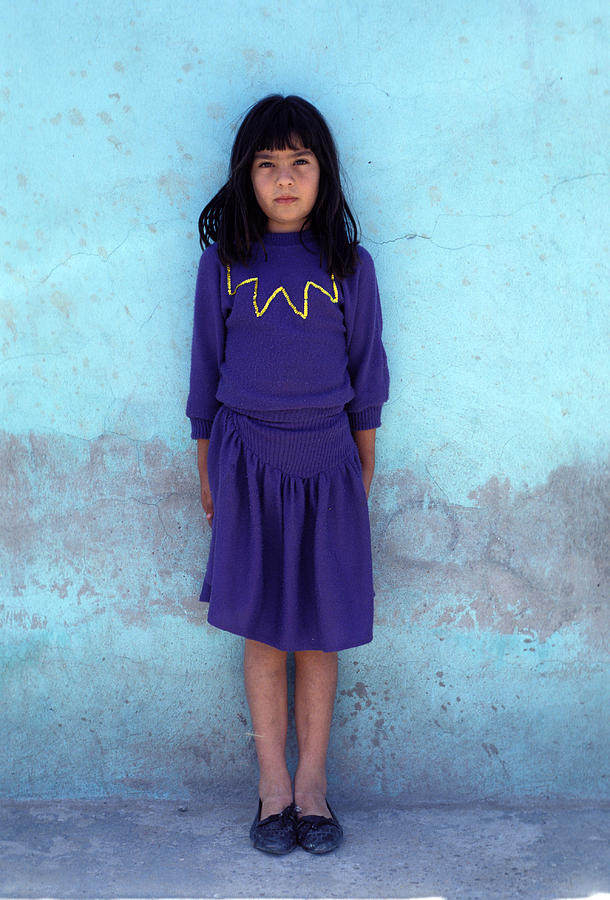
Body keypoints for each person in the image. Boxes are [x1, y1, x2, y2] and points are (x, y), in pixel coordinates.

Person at [186, 94, 389, 855]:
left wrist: (362, 461)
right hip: (246, 461)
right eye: (267, 165)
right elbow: (205, 373)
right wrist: (207, 471)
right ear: (247, 176)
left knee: (320, 630)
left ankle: (313, 787)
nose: (283, 179)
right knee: (265, 630)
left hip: (327, 463)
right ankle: (271, 785)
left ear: (322, 174)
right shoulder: (225, 266)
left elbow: (368, 371)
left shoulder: (348, 267)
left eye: (299, 163)